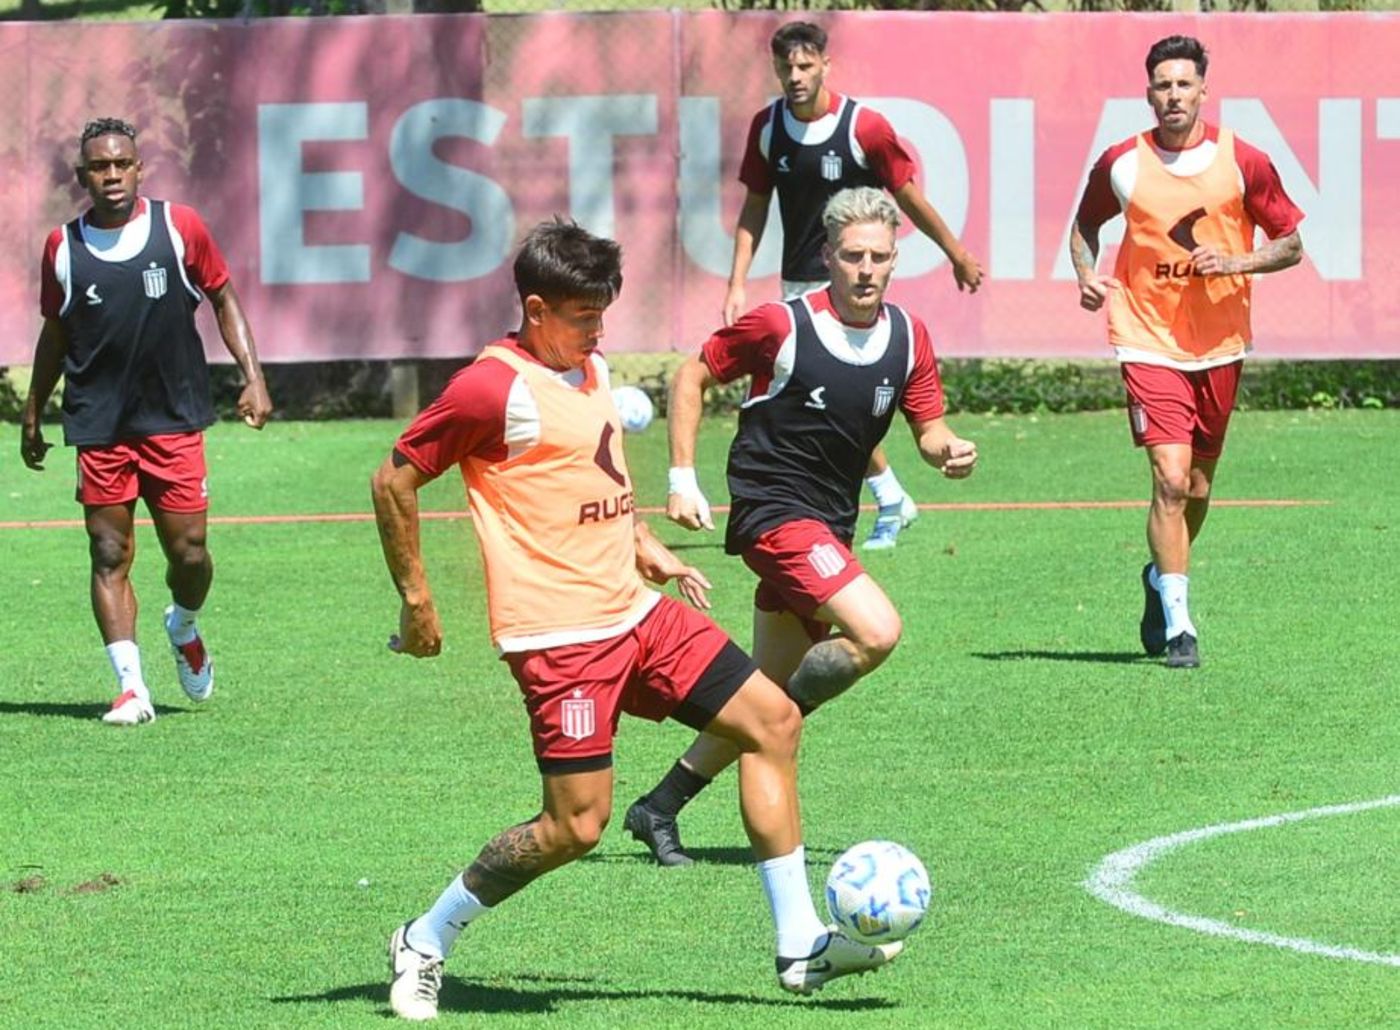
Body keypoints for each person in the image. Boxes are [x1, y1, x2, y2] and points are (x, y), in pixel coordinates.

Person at [371, 219, 899, 1021]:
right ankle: (426, 936)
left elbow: (589, 473)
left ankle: (799, 948)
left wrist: (645, 543)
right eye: (585, 315)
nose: (599, 329)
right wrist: (417, 600)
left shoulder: (588, 365)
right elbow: (393, 482)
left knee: (775, 718)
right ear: (537, 308)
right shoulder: (490, 387)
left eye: (604, 313)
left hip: (637, 612)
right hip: (560, 640)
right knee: (574, 827)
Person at [626, 187, 977, 867]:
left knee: (768, 698)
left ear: (896, 260)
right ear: (828, 257)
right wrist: (680, 476)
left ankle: (660, 805)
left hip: (829, 527)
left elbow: (929, 432)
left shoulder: (908, 337)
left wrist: (950, 452)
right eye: (853, 256)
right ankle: (773, 723)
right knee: (878, 631)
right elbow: (693, 375)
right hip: (772, 514)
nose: (866, 269)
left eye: (879, 256)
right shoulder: (782, 326)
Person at [19, 117, 273, 726]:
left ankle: (183, 625)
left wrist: (253, 374)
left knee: (189, 554)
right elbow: (56, 333)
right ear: (82, 176)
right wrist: (33, 412)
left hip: (174, 418)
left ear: (138, 168)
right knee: (108, 551)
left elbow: (223, 295)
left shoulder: (179, 227)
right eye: (99, 167)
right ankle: (132, 689)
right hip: (99, 423)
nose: (111, 176)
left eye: (121, 164)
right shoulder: (64, 246)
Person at [1069, 36, 1304, 669]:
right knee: (1169, 480)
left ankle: (1158, 576)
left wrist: (1235, 260)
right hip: (1145, 338)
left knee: (1197, 486)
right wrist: (1086, 274)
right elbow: (1084, 226)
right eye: (1161, 86)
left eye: (1183, 84)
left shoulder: (1243, 161)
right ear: (1148, 93)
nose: (1172, 95)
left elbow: (1290, 244)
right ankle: (1181, 625)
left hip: (1220, 343)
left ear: (1204, 89)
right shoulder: (1121, 162)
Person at [723, 20, 983, 551]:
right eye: (785, 67)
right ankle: (881, 498)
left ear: (825, 65)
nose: (795, 77)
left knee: (836, 402)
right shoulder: (768, 128)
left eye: (805, 65)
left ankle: (881, 498)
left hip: (850, 286)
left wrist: (955, 252)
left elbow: (908, 196)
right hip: (800, 286)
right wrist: (736, 283)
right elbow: (754, 207)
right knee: (818, 402)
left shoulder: (864, 127)